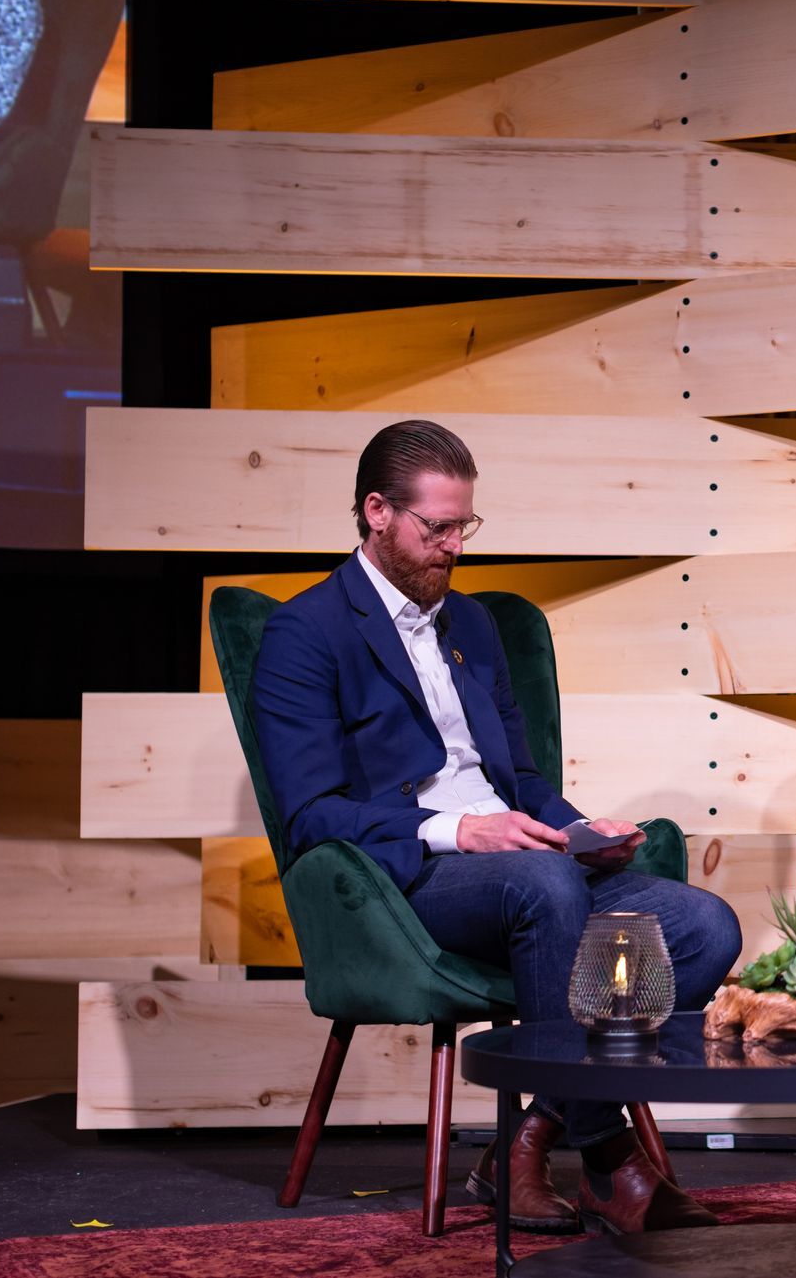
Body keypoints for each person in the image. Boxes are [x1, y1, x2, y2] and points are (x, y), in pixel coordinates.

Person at [251, 419, 741, 1234]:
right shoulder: (304, 633)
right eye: (434, 527)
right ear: (376, 512)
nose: (453, 545)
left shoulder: (472, 625)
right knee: (543, 882)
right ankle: (610, 1155)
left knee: (700, 925)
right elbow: (312, 814)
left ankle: (524, 1137)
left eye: (462, 526)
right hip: (406, 878)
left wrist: (583, 827)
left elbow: (520, 781)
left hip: (522, 859)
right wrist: (455, 830)